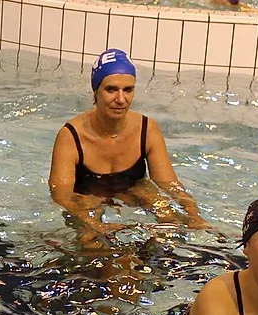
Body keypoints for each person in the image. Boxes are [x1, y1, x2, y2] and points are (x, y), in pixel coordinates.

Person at [48, 48, 210, 240]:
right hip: (86, 199)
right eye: (111, 90)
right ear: (96, 91)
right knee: (93, 243)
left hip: (135, 189)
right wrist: (94, 223)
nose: (121, 99)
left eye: (128, 90)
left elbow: (170, 184)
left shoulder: (146, 129)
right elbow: (62, 195)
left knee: (172, 223)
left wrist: (194, 215)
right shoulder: (71, 136)